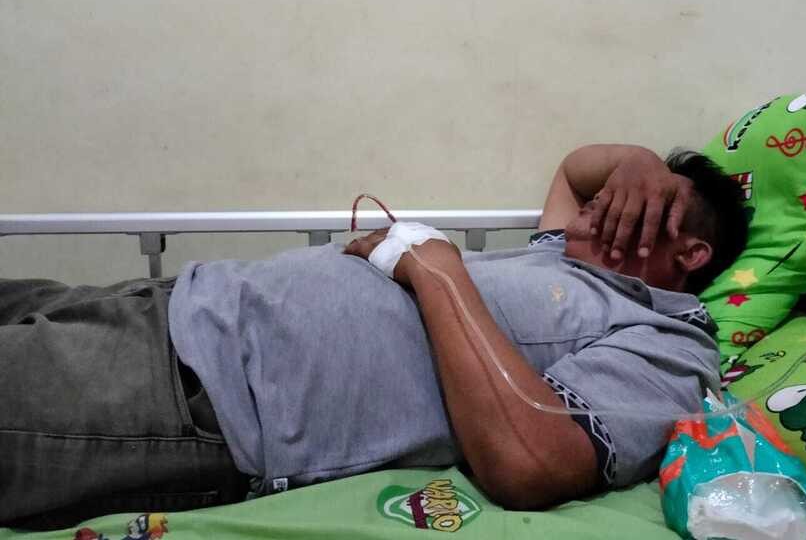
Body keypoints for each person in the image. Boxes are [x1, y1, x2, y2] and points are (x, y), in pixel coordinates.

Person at [0, 144, 748, 529]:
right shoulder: (563, 251)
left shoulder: (667, 344)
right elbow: (575, 169)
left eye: (640, 209)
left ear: (691, 255)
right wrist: (640, 163)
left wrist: (435, 271)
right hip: (174, 302)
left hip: (198, 397)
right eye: (613, 196)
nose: (603, 204)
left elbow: (533, 461)